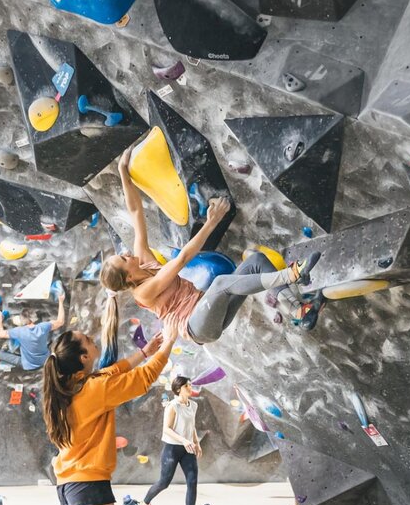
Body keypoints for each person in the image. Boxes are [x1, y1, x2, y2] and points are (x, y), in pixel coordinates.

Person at [99, 147, 322, 362]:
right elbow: (183, 259)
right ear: (128, 277)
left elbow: (136, 211)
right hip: (197, 326)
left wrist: (123, 173)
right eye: (123, 259)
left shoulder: (144, 261)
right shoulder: (143, 293)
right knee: (221, 283)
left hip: (210, 308)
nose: (127, 253)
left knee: (255, 260)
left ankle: (299, 311)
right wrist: (211, 221)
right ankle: (291, 275)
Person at [35, 323, 176, 505]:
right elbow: (142, 379)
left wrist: (146, 351)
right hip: (88, 483)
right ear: (83, 358)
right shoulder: (94, 390)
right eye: (87, 341)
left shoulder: (73, 387)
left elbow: (115, 371)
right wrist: (168, 344)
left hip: (70, 482)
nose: (93, 339)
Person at [137, 376, 204, 505]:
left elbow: (191, 426)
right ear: (179, 389)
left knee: (192, 482)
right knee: (164, 482)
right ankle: (145, 503)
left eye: (190, 385)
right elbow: (166, 429)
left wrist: (196, 442)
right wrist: (183, 440)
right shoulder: (173, 406)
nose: (190, 388)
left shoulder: (193, 405)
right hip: (172, 449)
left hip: (188, 449)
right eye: (187, 386)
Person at [0, 290, 66, 370]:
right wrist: (61, 301)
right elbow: (60, 321)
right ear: (34, 319)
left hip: (28, 366)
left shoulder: (19, 331)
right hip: (45, 361)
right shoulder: (43, 327)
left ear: (21, 321)